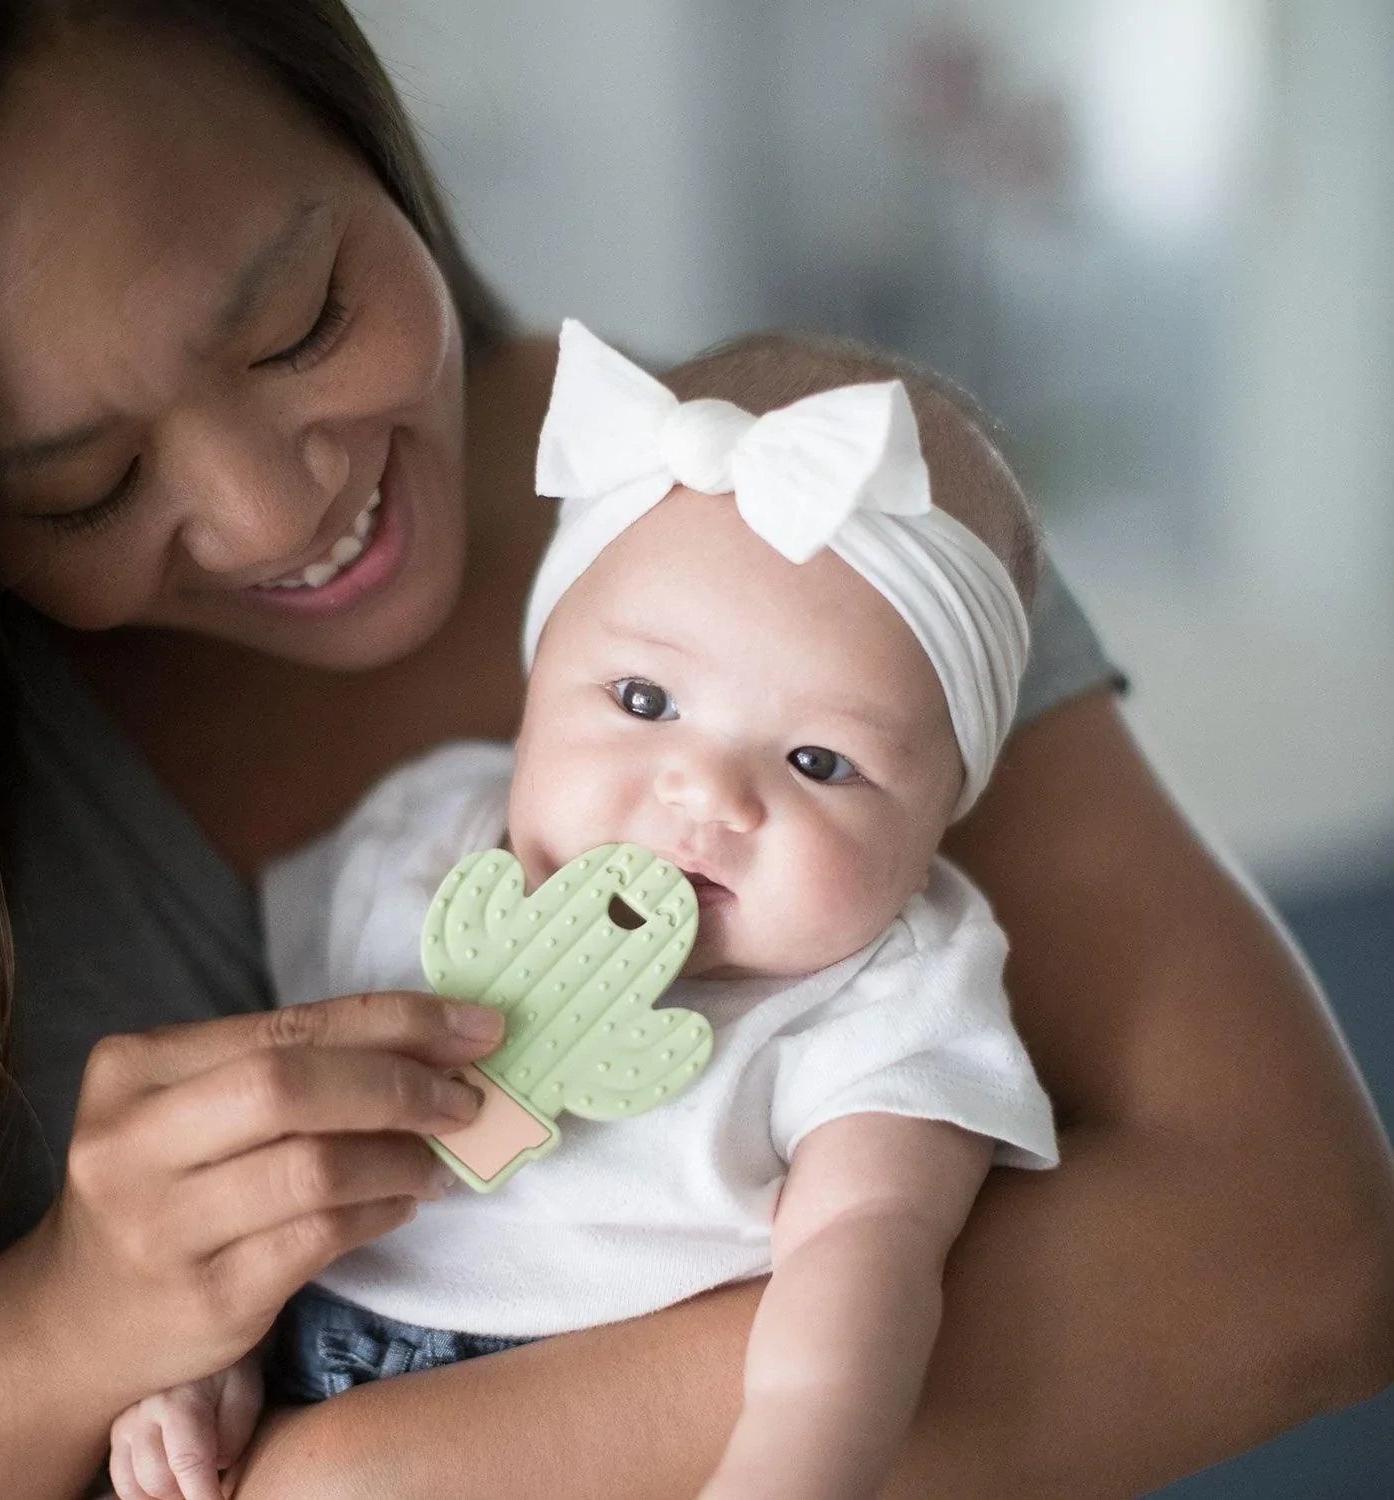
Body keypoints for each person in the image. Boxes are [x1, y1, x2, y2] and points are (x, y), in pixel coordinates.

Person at [0, 4, 1388, 1498]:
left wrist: (357, 1478)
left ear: (366, 139)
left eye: (304, 321)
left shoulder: (841, 520)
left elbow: (1309, 1254)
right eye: (87, 487)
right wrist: (75, 1335)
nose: (272, 510)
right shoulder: (414, 846)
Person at [109, 320, 1062, 1500]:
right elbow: (278, 1128)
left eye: (819, 762)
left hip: (598, 1421)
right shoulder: (426, 845)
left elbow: (864, 1272)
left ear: (934, 828)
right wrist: (214, 1355)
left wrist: (785, 1467)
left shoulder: (884, 995)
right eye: (645, 696)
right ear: (535, 684)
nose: (706, 792)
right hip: (307, 1352)